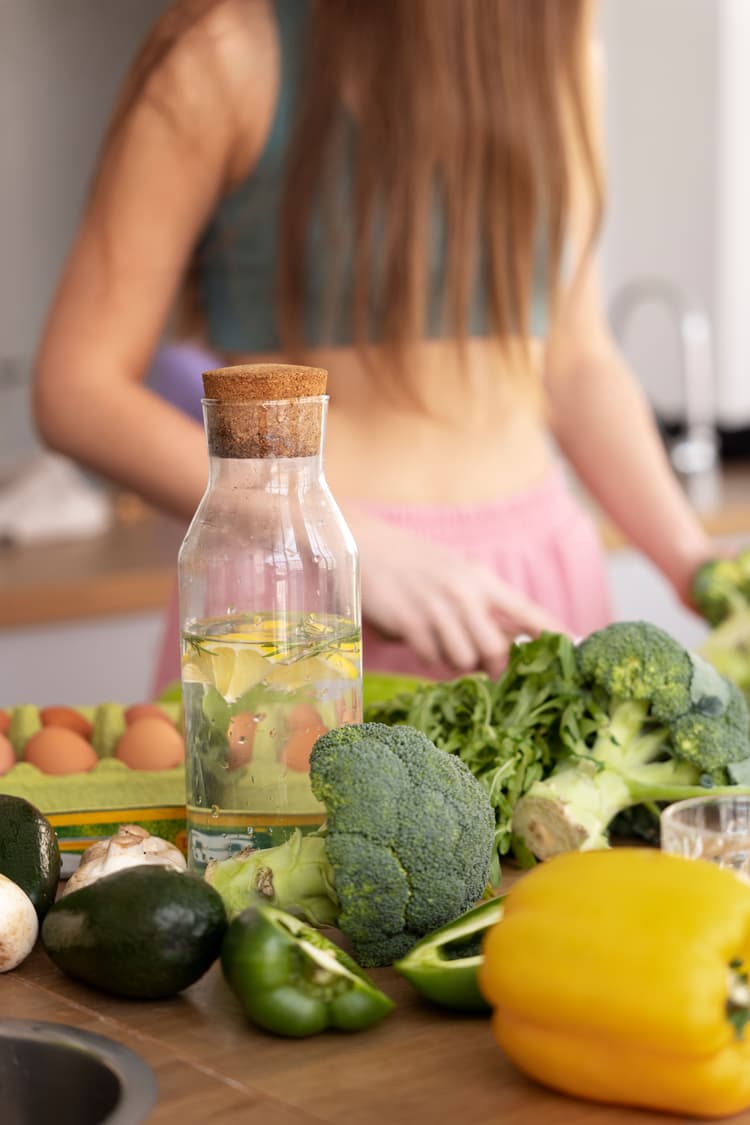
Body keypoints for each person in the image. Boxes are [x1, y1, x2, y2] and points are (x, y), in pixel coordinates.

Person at [32, 0, 717, 693]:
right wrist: (341, 542)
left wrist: (696, 564)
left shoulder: (555, 46)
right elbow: (76, 388)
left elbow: (574, 361)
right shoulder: (227, 51)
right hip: (299, 586)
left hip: (535, 587)